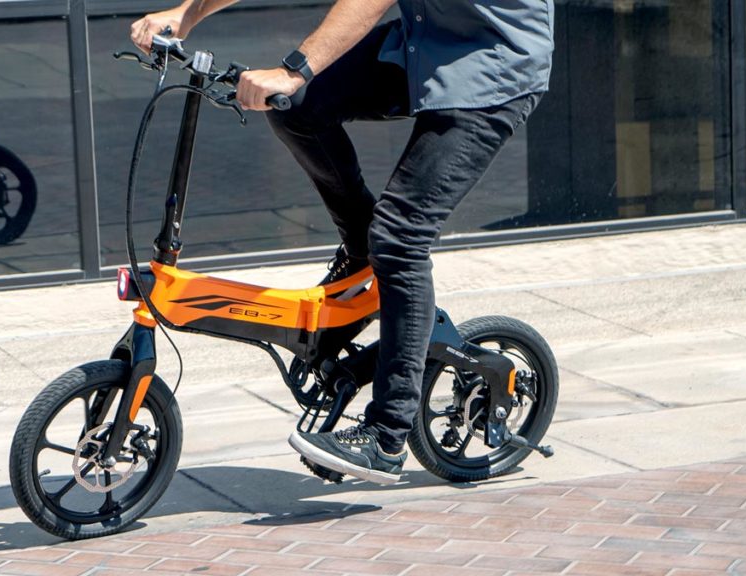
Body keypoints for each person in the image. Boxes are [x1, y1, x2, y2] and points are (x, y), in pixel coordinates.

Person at [132, 0, 553, 485]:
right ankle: (361, 258)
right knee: (299, 110)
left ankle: (386, 436)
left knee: (400, 236)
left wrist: (294, 70)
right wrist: (187, 14)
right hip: (424, 46)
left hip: (493, 68)